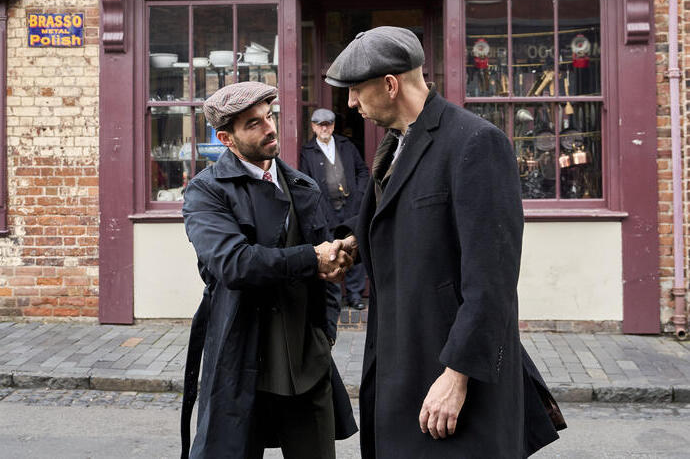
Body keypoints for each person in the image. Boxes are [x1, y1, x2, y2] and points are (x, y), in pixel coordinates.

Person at [325, 27, 565, 458]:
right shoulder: (396, 145)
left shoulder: (475, 142)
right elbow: (413, 226)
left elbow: (492, 279)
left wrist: (457, 374)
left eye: (356, 90)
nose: (350, 103)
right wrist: (355, 245)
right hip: (401, 362)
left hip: (453, 375)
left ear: (390, 84)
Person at [180, 81, 357, 459]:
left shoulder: (303, 186)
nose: (269, 127)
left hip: (305, 359)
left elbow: (327, 277)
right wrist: (311, 256)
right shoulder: (206, 192)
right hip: (240, 355)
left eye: (269, 115)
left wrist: (324, 335)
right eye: (253, 123)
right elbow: (234, 263)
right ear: (226, 139)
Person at [300, 108, 370, 310]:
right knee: (331, 253)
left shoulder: (346, 145)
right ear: (313, 127)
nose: (325, 128)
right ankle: (335, 297)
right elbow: (305, 183)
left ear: (333, 126)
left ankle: (355, 295)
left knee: (353, 249)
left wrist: (359, 195)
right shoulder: (308, 152)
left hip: (350, 207)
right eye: (320, 125)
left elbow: (362, 171)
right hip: (325, 211)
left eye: (328, 124)